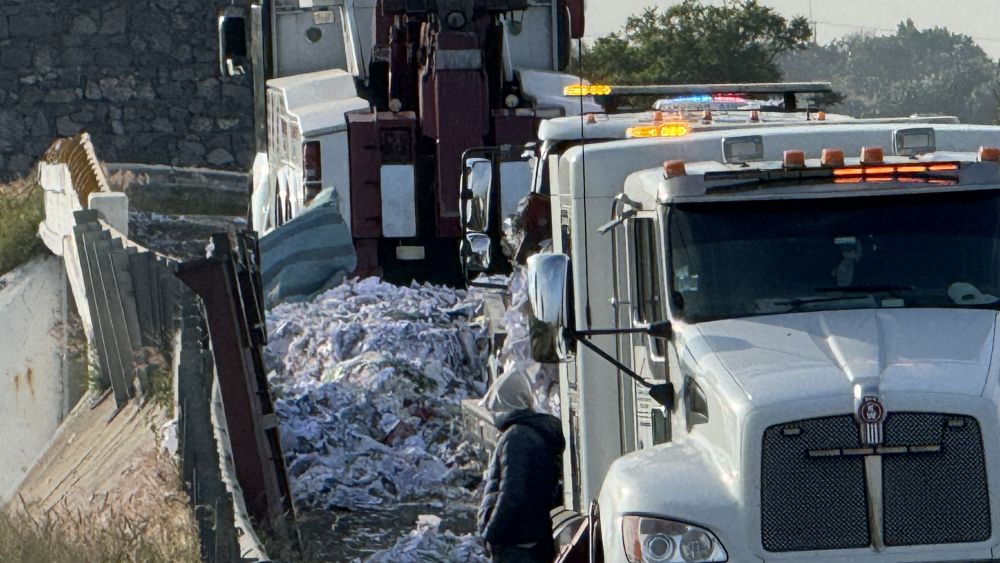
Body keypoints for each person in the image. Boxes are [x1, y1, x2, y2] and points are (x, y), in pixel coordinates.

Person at [478, 373, 565, 562]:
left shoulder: (516, 437)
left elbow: (511, 493)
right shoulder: (534, 434)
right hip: (532, 539)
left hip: (515, 543)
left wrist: (490, 533)